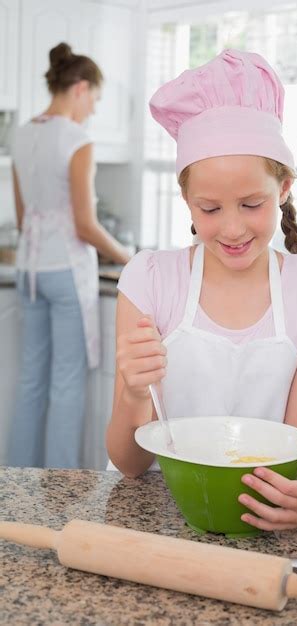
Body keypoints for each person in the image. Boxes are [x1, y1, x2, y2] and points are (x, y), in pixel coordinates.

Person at [106, 49, 297, 530]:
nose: (233, 228)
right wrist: (134, 394)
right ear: (187, 201)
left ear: (282, 188)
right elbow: (130, 465)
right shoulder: (149, 279)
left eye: (251, 203)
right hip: (163, 519)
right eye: (211, 209)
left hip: (265, 513)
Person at [9, 42, 131, 469]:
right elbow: (84, 224)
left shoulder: (21, 134)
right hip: (66, 272)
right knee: (65, 385)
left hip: (30, 271)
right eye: (95, 99)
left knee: (30, 381)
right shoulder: (78, 140)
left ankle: (13, 495)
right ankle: (60, 493)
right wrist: (126, 255)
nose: (93, 110)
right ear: (80, 88)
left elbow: (24, 218)